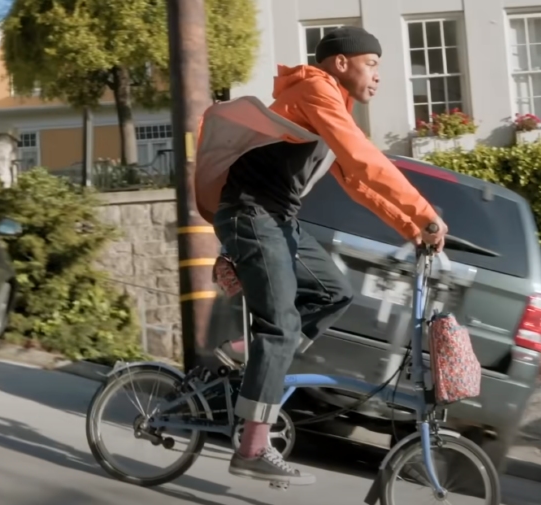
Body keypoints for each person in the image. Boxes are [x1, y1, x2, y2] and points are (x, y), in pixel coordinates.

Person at [193, 26, 447, 485]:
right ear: (341, 63)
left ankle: (252, 357)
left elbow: (361, 183)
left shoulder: (333, 108)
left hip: (277, 220)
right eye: (372, 65)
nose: (377, 77)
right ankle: (252, 448)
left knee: (334, 291)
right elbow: (365, 158)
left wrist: (414, 228)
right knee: (282, 325)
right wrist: (426, 214)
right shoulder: (315, 90)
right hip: (254, 214)